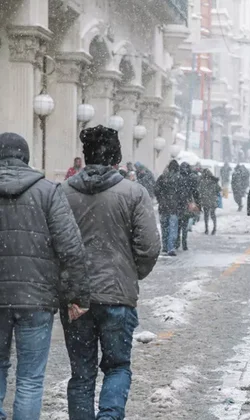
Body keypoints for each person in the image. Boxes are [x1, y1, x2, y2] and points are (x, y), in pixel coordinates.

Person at [61, 125, 160, 419]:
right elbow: (149, 247)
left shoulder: (63, 192)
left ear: (85, 155)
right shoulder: (133, 193)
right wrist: (130, 273)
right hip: (118, 295)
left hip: (76, 298)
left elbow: (52, 244)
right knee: (117, 366)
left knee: (81, 373)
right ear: (116, 157)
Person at [0, 132, 89, 419]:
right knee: (29, 379)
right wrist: (76, 295)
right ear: (26, 158)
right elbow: (71, 248)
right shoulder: (48, 191)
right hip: (36, 300)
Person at [154, 160, 183, 256]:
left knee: (164, 228)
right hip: (174, 208)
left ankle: (165, 247)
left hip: (163, 207)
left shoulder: (162, 177)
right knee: (173, 228)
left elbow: (156, 190)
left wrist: (161, 199)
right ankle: (171, 248)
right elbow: (182, 194)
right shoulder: (179, 179)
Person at [176, 162, 200, 251]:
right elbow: (195, 192)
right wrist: (197, 203)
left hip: (179, 204)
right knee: (184, 225)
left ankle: (177, 242)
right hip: (187, 203)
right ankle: (184, 243)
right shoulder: (191, 178)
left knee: (178, 225)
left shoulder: (178, 177)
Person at [198, 168, 222, 235]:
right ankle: (214, 228)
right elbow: (219, 189)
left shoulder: (202, 181)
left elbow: (199, 190)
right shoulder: (214, 181)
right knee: (213, 215)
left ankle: (206, 229)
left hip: (205, 201)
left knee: (206, 215)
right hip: (213, 200)